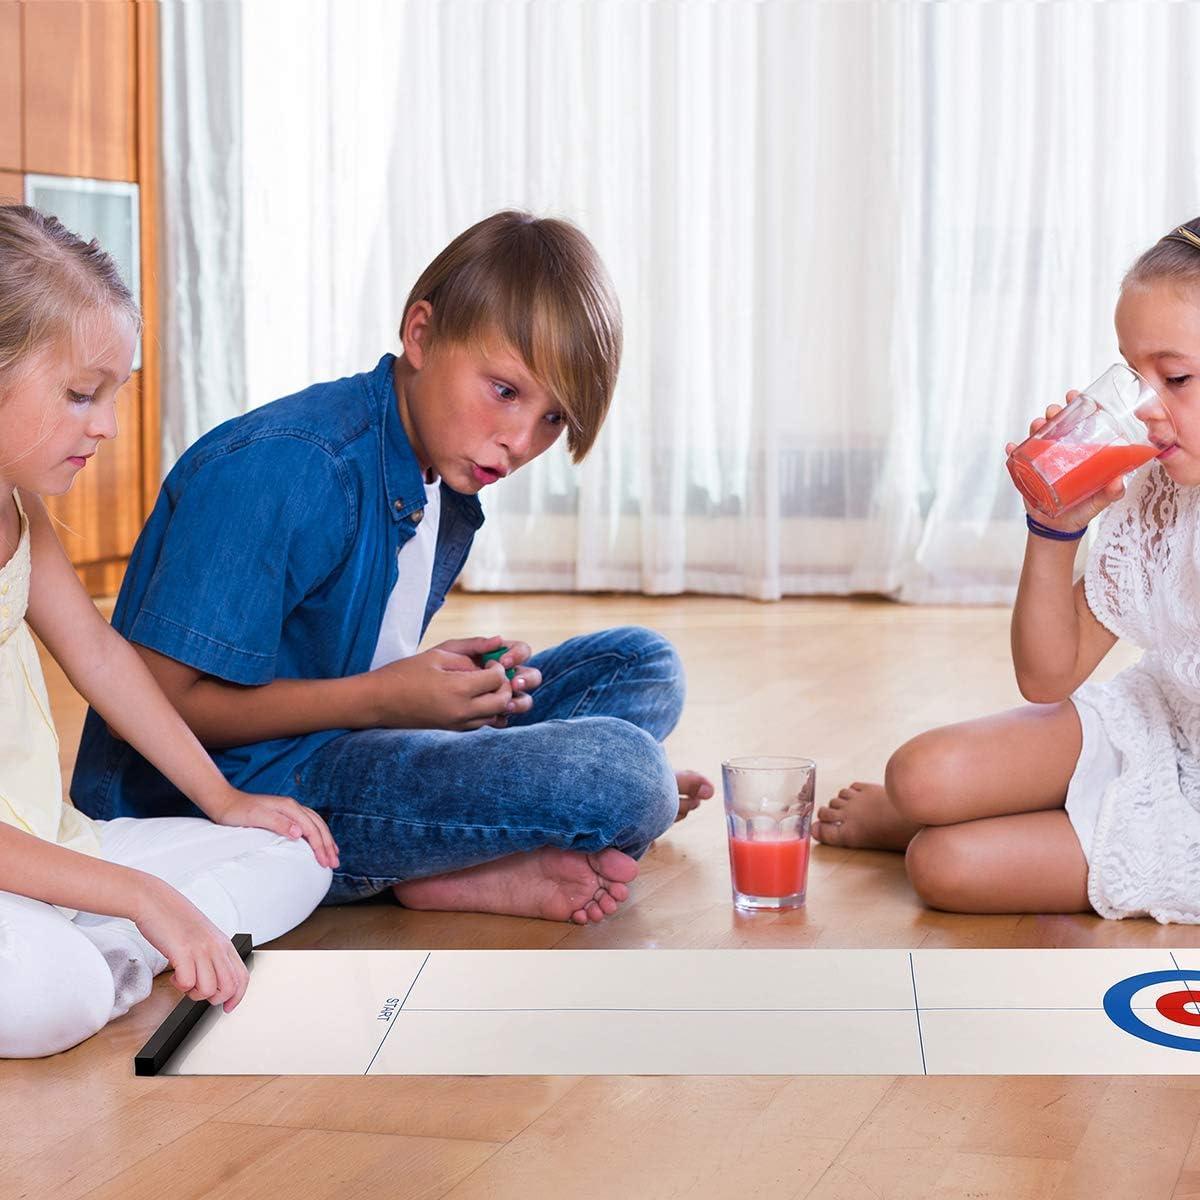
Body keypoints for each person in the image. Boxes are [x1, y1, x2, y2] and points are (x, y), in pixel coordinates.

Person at [73, 210, 712, 925]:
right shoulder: (291, 469)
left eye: (552, 420)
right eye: (505, 391)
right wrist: (386, 699)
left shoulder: (441, 471)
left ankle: (481, 842)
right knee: (625, 775)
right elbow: (147, 710)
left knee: (643, 665)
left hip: (349, 741)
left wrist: (452, 692)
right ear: (420, 335)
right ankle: (481, 848)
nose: (519, 440)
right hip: (230, 792)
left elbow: (367, 660)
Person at [0, 205, 337, 1057]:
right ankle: (115, 952)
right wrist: (142, 897)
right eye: (81, 394)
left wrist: (225, 802)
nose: (107, 425)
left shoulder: (19, 511)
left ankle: (116, 943)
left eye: (111, 395)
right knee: (57, 997)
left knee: (295, 851)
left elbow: (102, 658)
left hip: (46, 848)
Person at [813, 217, 1200, 924]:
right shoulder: (1163, 495)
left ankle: (1010, 817)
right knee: (918, 775)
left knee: (942, 866)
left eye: (1174, 378)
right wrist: (1056, 525)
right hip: (1163, 724)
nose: (1144, 409)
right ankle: (1001, 804)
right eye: (1131, 373)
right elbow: (1047, 677)